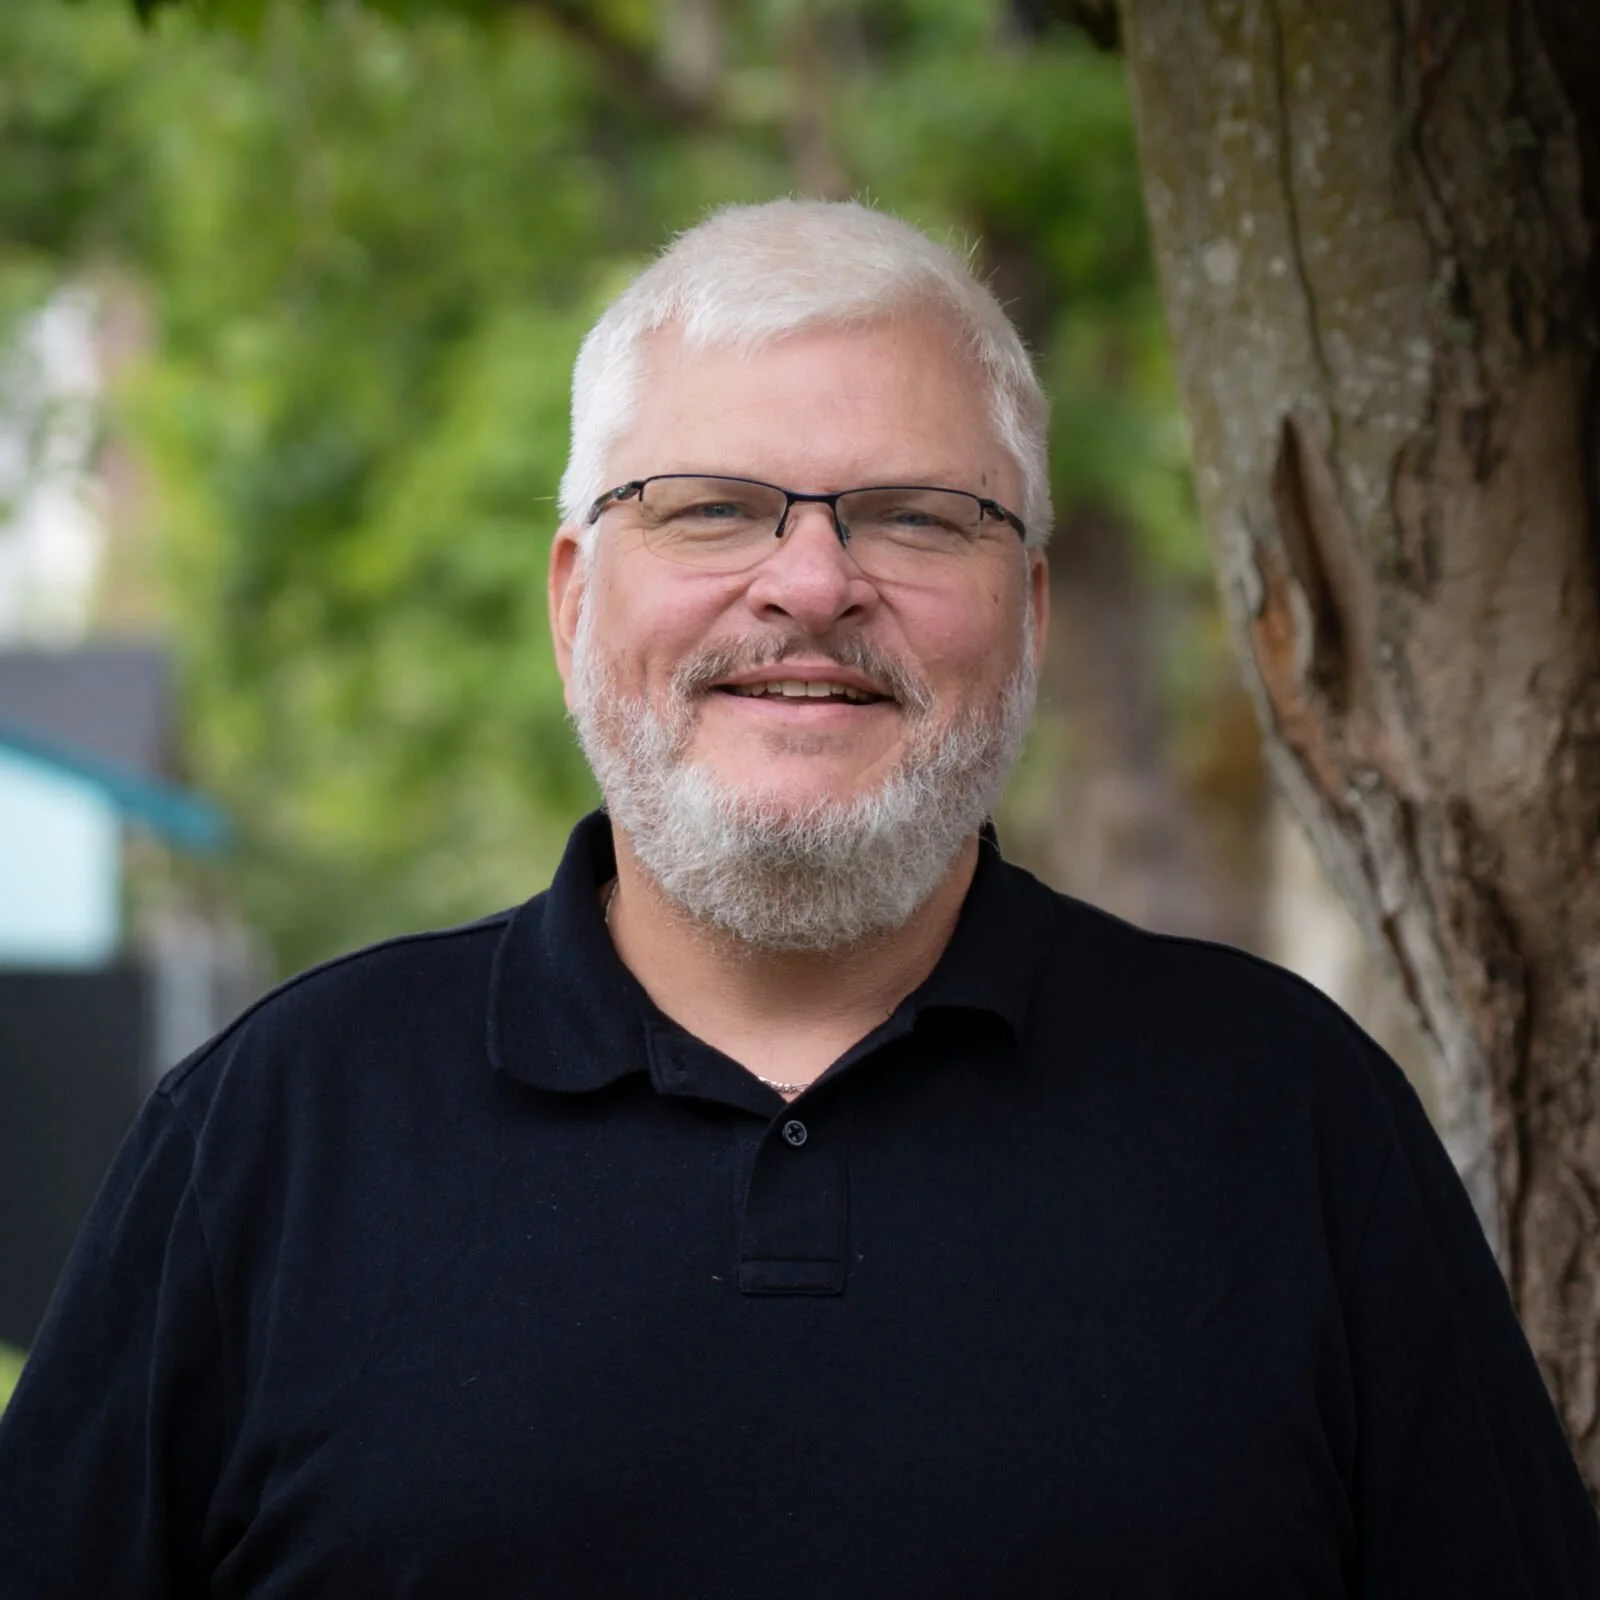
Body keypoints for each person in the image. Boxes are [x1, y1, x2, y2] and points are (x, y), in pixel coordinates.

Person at [1, 199, 1595, 1599]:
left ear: (1032, 613)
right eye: (711, 506)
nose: (815, 583)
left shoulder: (1295, 1126)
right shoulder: (271, 1137)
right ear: (572, 599)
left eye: (917, 515)